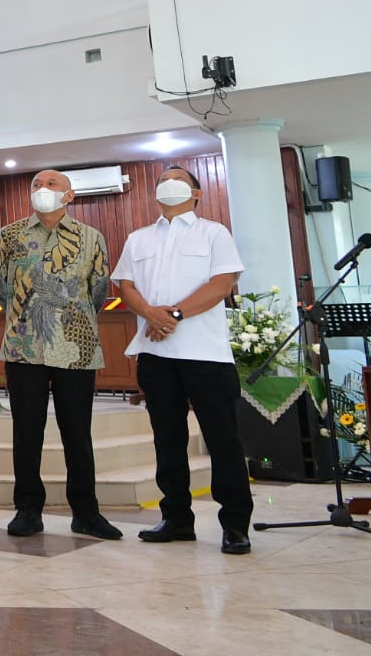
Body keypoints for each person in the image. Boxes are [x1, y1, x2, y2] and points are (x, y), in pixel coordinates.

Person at [112, 165, 252, 555]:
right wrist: (150, 314)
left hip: (206, 354)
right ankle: (175, 518)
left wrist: (172, 315)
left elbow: (222, 284)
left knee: (223, 439)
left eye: (178, 180)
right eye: (162, 181)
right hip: (156, 354)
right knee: (167, 440)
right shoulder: (139, 238)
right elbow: (126, 285)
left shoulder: (213, 233)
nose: (168, 185)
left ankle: (235, 523)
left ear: (196, 193)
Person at [0, 169, 122, 540]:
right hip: (23, 347)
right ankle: (27, 510)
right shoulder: (9, 234)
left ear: (69, 195)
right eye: (36, 184)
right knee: (26, 432)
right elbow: (2, 287)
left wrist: (71, 318)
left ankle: (86, 513)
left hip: (76, 350)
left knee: (77, 432)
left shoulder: (91, 237)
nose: (42, 189)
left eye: (52, 184)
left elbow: (98, 291)